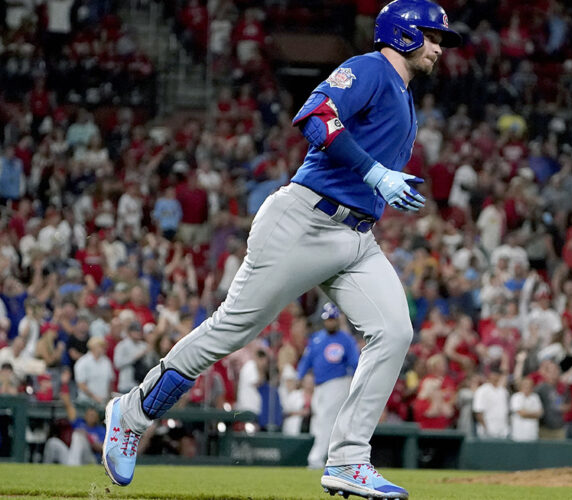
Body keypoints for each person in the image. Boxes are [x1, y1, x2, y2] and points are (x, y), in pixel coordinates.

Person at [102, 2, 460, 498]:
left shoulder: (401, 91)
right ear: (402, 34)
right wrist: (375, 172)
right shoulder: (371, 68)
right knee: (230, 331)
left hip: (355, 238)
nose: (440, 47)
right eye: (431, 35)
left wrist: (374, 180)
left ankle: (349, 460)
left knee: (394, 330)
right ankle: (132, 412)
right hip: (304, 221)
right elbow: (312, 114)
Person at [297, 303, 359, 469]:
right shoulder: (317, 338)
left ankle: (316, 459)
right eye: (328, 319)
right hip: (319, 385)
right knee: (320, 421)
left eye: (333, 319)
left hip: (338, 383)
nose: (330, 322)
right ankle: (333, 458)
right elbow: (306, 361)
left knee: (326, 420)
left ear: (337, 319)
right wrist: (299, 376)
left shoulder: (346, 339)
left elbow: (355, 362)